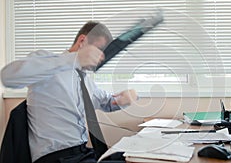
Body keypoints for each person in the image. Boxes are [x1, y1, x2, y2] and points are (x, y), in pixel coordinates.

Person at [1, 21, 138, 163]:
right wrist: (73, 59)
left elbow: (107, 102)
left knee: (133, 157)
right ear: (82, 41)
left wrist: (125, 99)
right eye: (98, 50)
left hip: (83, 153)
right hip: (55, 158)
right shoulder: (49, 63)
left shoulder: (85, 80)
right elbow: (8, 77)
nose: (100, 58)